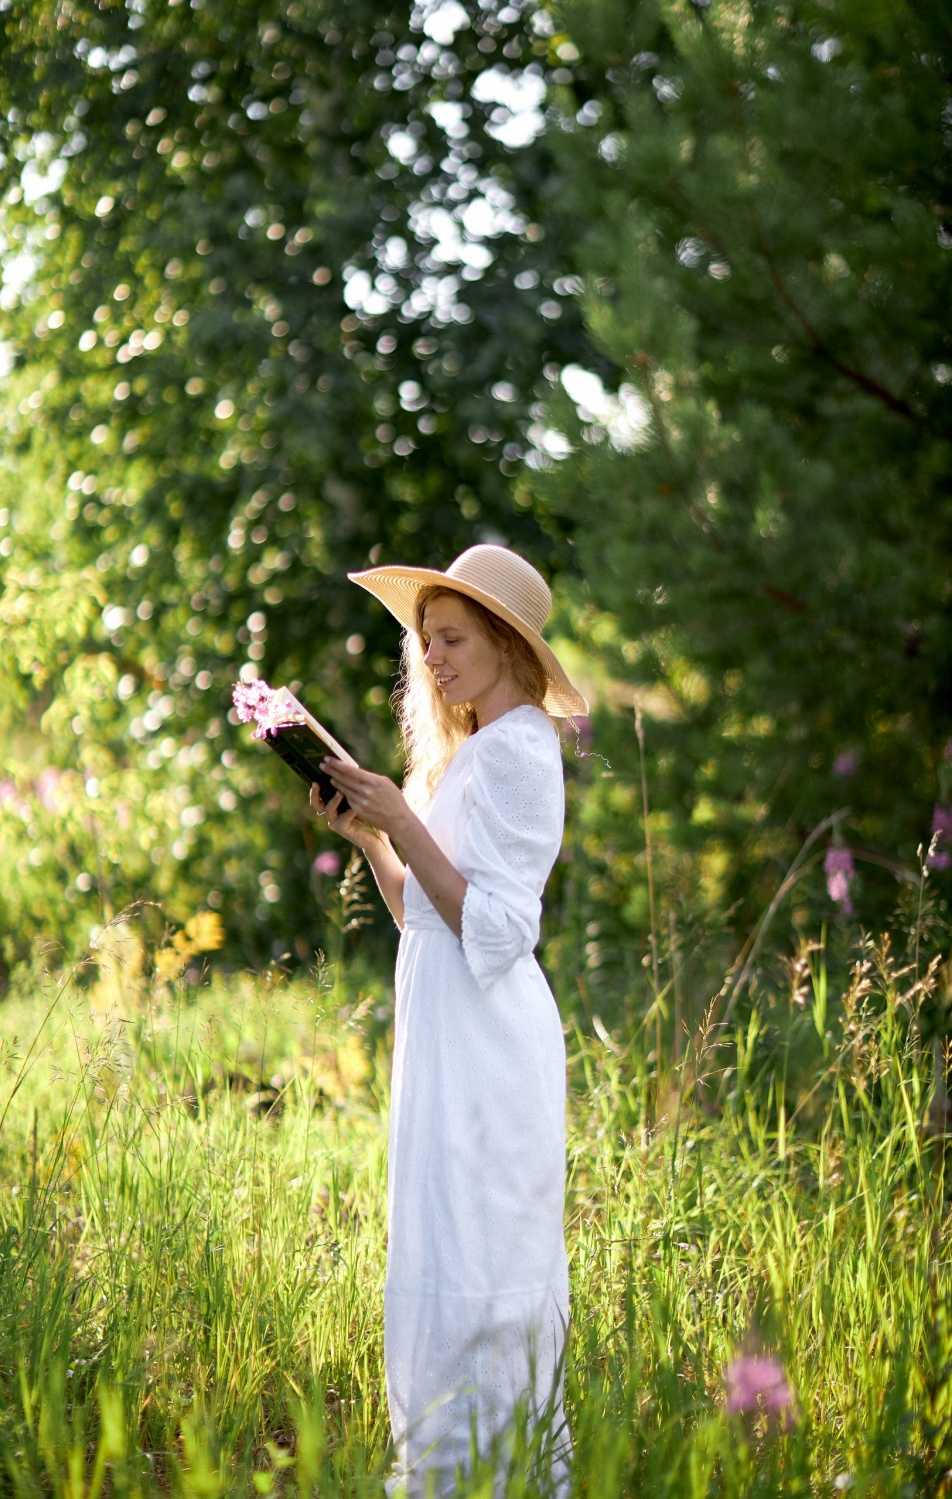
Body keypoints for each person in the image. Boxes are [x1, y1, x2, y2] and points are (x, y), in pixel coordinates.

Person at [310, 544, 588, 1497]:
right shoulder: (474, 751)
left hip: (488, 1044)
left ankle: (498, 1473)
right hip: (444, 1031)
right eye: (424, 641)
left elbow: (503, 928)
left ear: (507, 641)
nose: (430, 657)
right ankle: (447, 1474)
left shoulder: (520, 750)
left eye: (451, 636)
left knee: (485, 1252)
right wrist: (375, 839)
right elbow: (428, 914)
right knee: (442, 1244)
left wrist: (406, 819)